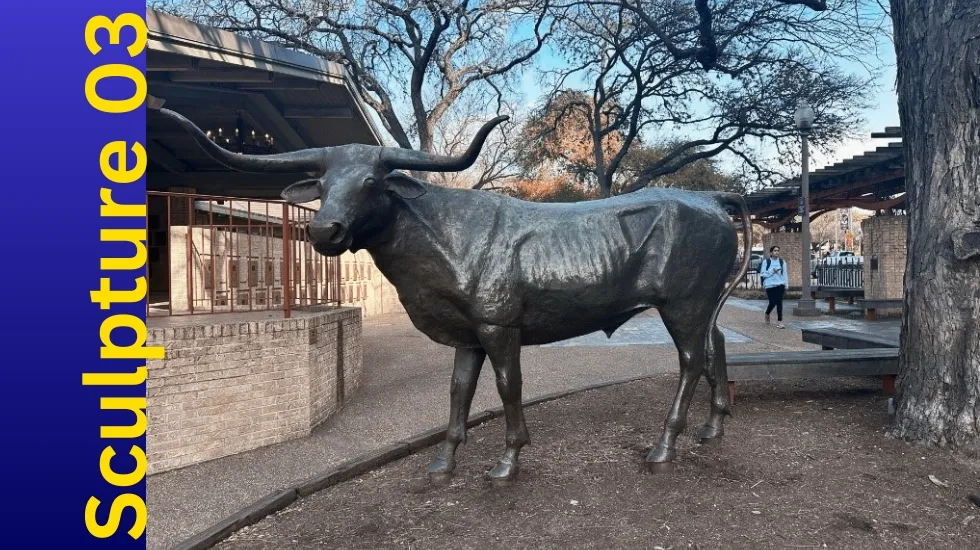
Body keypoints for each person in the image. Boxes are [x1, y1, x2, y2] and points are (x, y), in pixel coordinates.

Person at [760, 245, 787, 328]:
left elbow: (785, 274)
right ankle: (767, 313)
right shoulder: (766, 262)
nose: (777, 252)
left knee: (779, 303)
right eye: (775, 251)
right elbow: (762, 274)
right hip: (770, 285)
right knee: (772, 302)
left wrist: (786, 285)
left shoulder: (782, 262)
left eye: (778, 251)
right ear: (771, 252)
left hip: (780, 285)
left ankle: (780, 322)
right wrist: (772, 271)